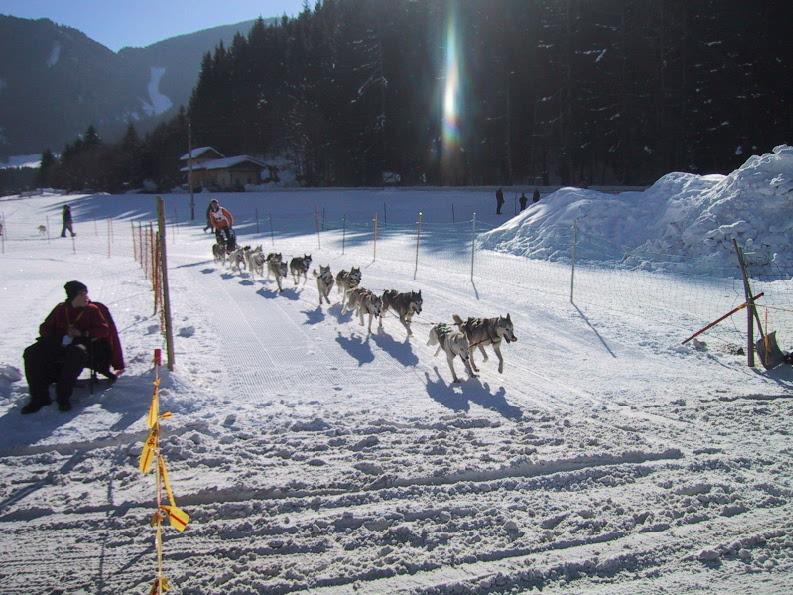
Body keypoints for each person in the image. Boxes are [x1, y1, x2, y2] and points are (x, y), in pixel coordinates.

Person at [21, 281, 111, 413]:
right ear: (73, 295)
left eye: (86, 293)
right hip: (59, 342)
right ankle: (39, 397)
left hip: (83, 344)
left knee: (76, 353)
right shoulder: (61, 308)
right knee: (31, 352)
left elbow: (104, 330)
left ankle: (63, 396)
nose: (86, 296)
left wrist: (83, 333)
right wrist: (62, 333)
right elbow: (44, 328)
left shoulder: (92, 309)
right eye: (82, 293)